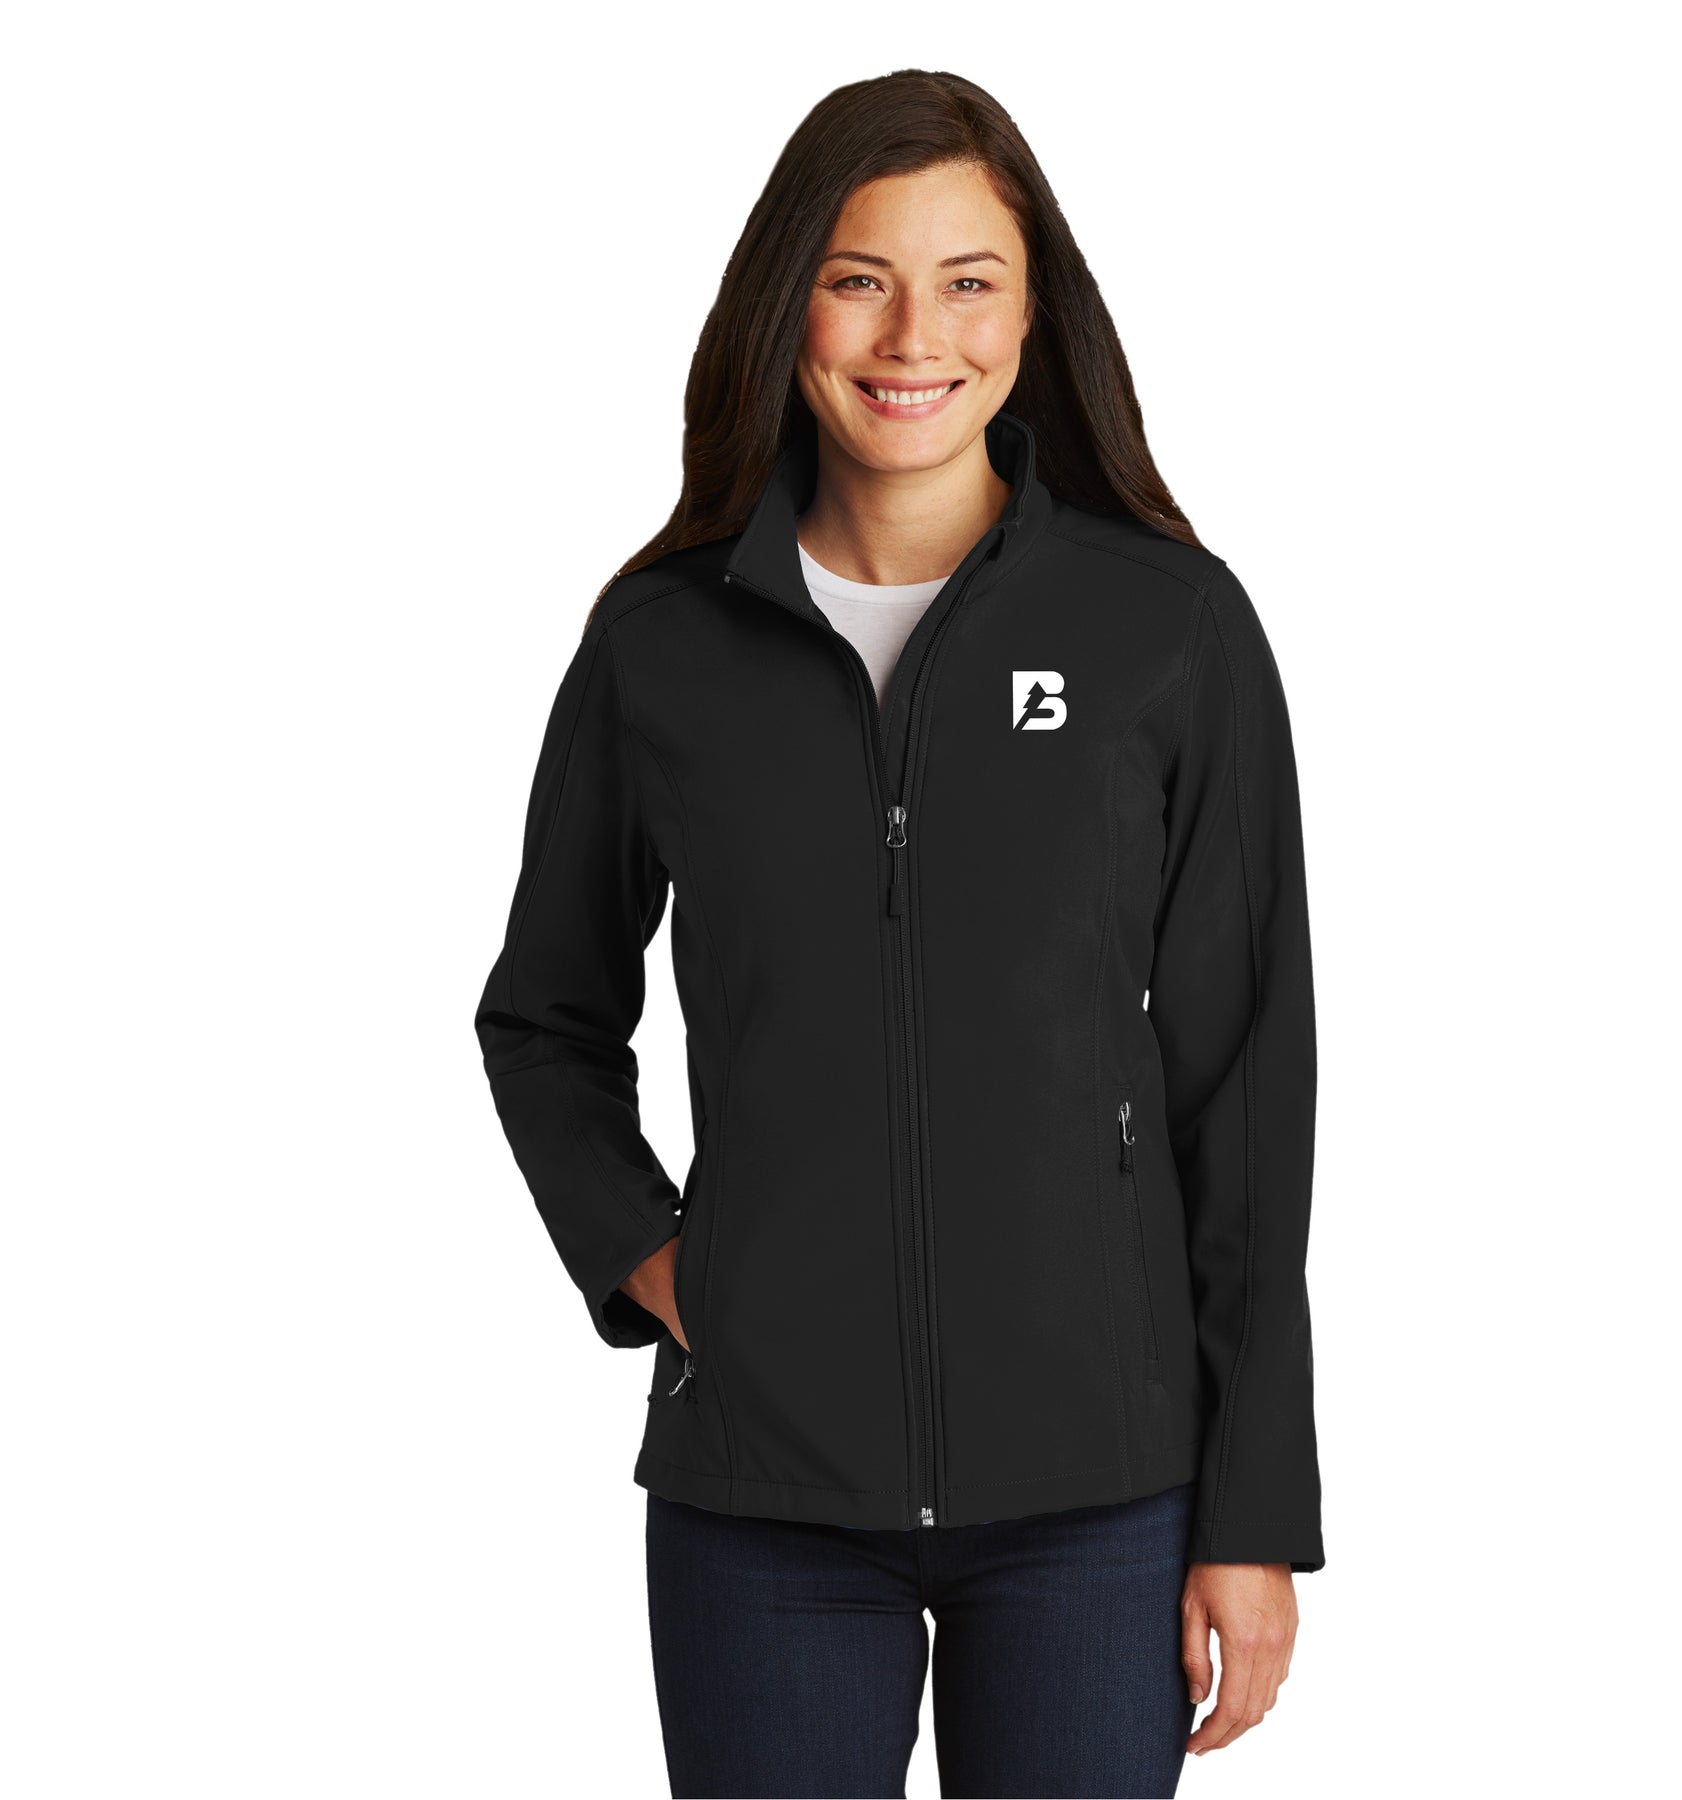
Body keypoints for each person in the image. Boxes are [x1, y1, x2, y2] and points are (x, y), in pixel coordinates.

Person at [474, 67, 1322, 1800]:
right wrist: (653, 1259)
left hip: (1101, 1496)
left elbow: (1245, 1088)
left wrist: (1254, 1512)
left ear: (1033, 312)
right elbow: (545, 1017)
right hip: (764, 1500)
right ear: (786, 303)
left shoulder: (1167, 630)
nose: (912, 336)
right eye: (858, 278)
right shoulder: (663, 645)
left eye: (968, 281)